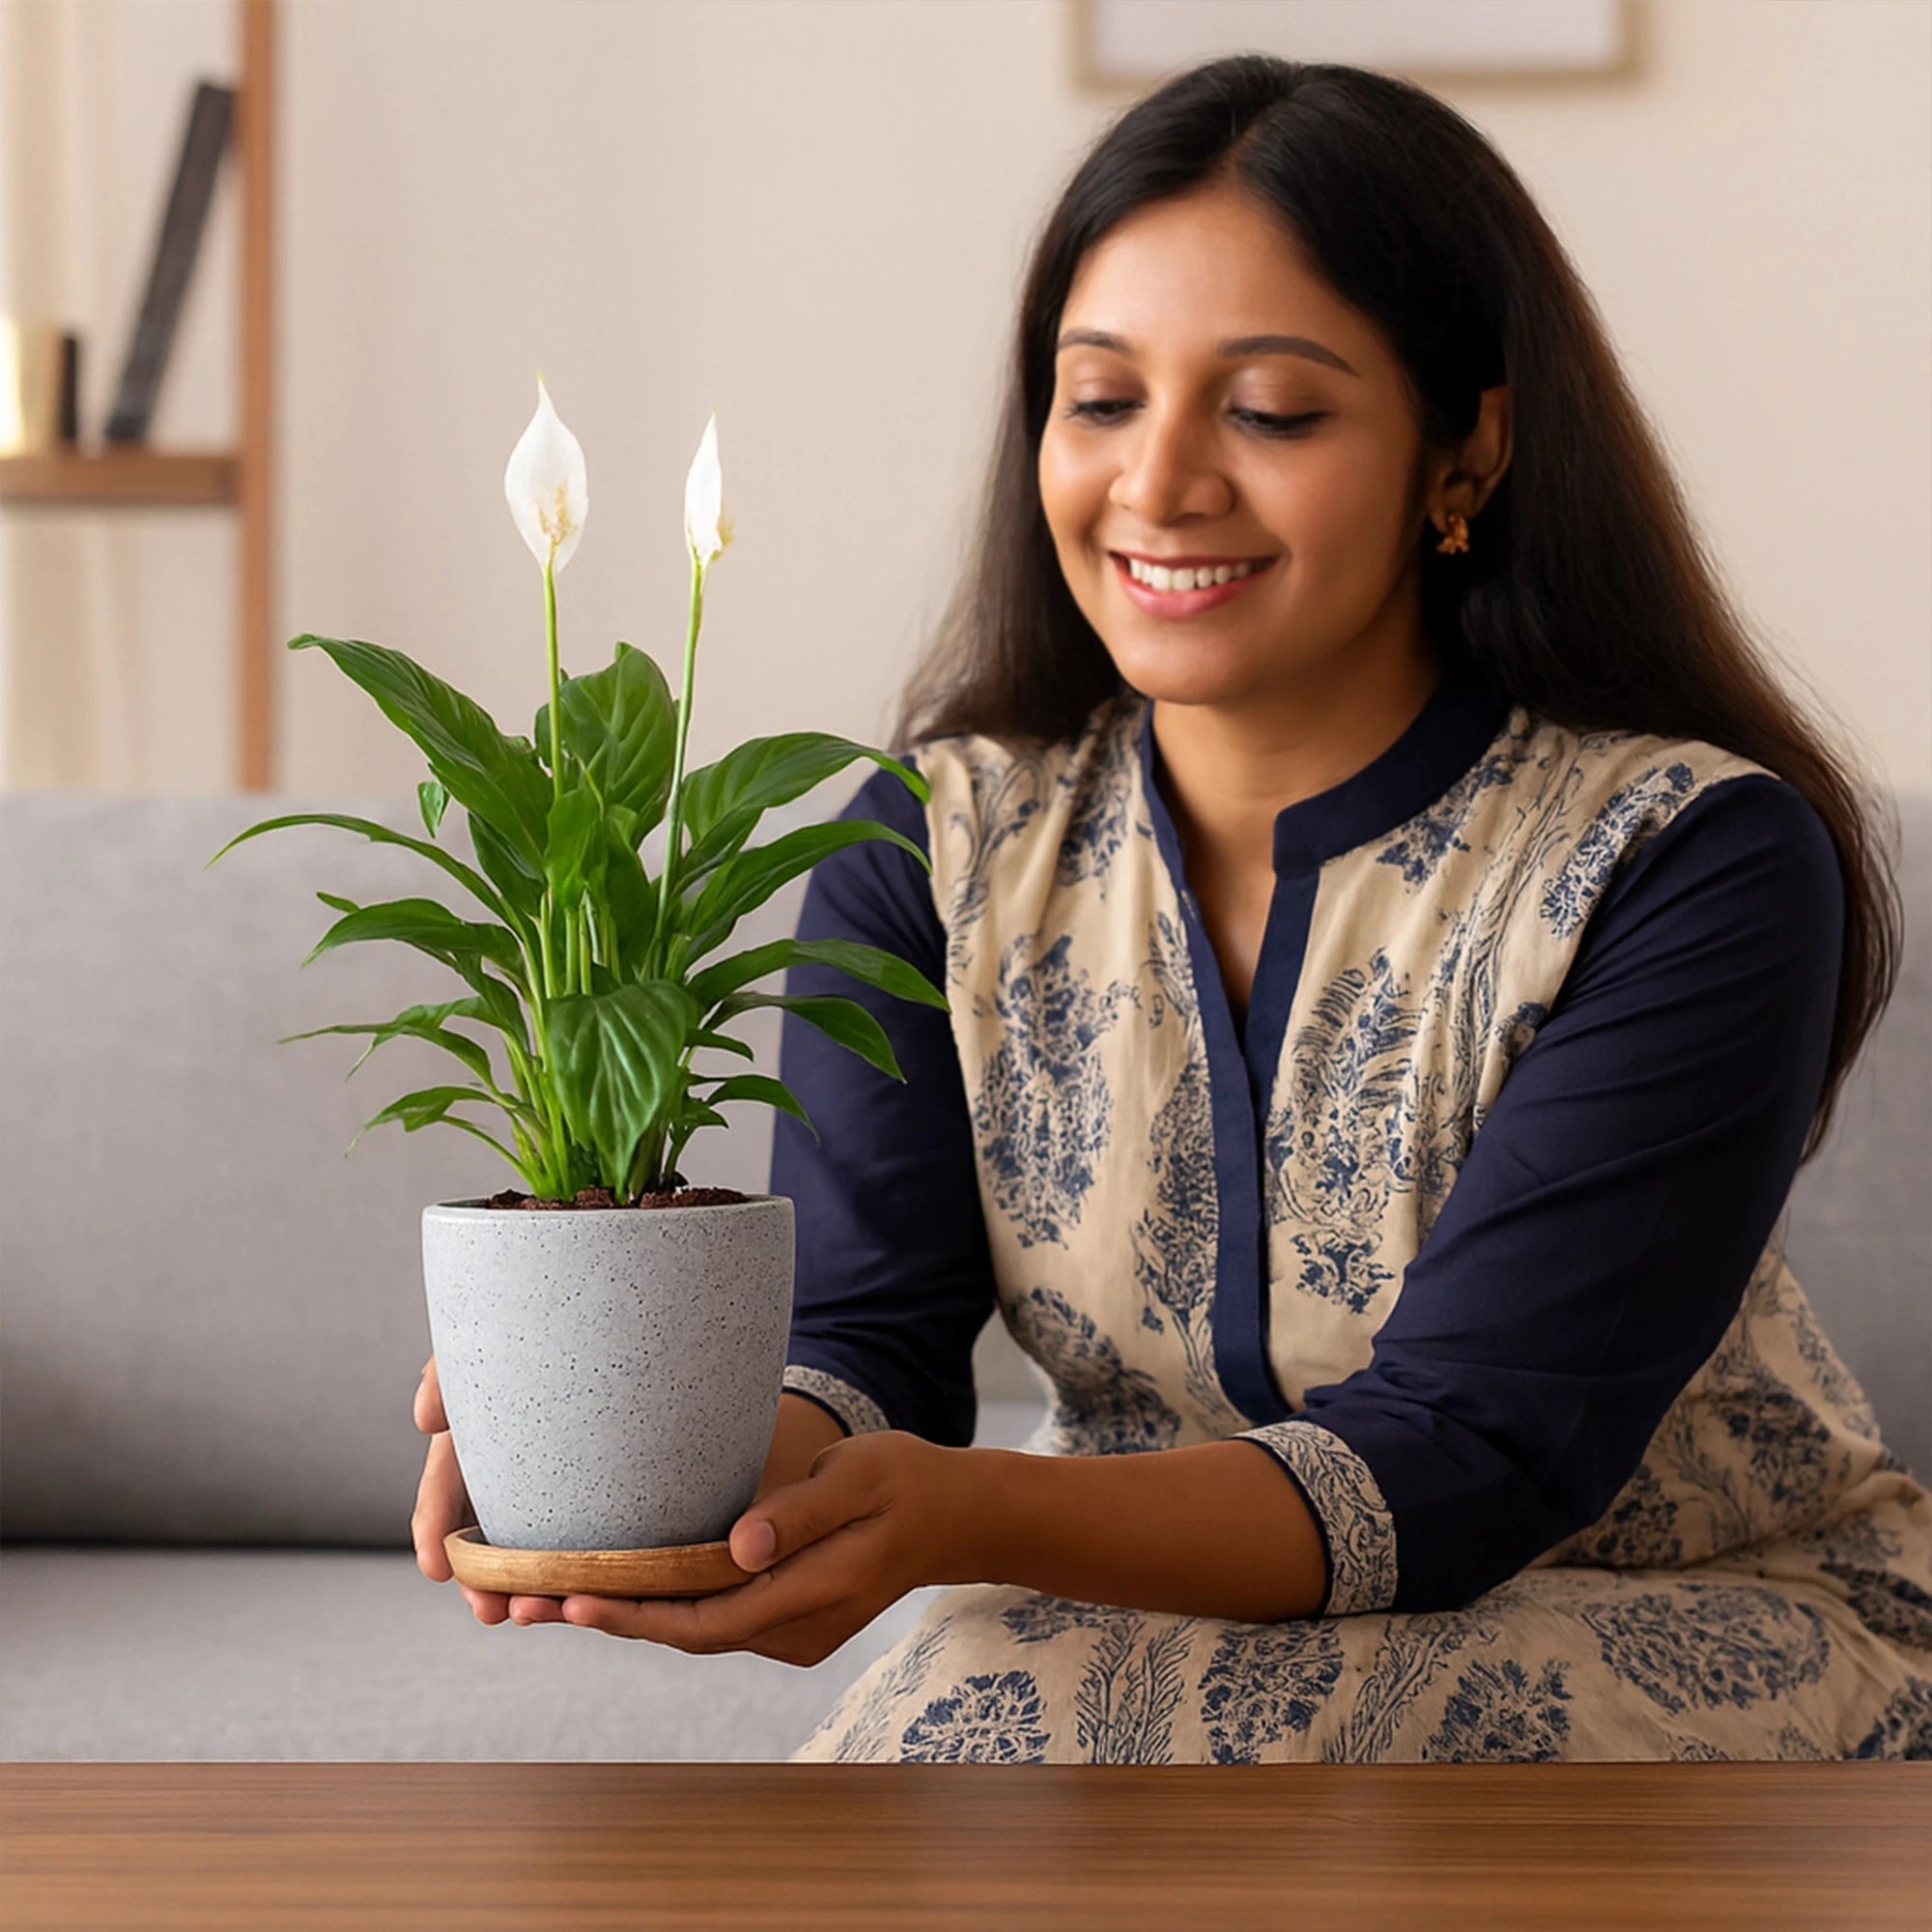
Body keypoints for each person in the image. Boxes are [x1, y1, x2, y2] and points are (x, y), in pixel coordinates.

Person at [414, 53, 1932, 1762]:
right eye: (1101, 398)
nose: (1162, 484)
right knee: (1006, 1719)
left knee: (1015, 1724)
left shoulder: (1687, 857)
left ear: (1470, 447)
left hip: (1696, 1617)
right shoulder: (927, 841)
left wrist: (969, 1519)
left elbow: (1479, 1449)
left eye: (1272, 411)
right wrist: (637, 1451)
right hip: (1142, 1635)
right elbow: (867, 1347)